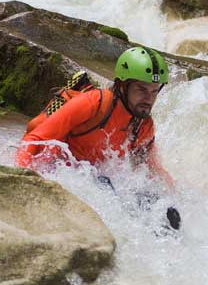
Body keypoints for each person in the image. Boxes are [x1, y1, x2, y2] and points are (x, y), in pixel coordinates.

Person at [16, 46, 180, 229]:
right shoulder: (93, 103)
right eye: (141, 89)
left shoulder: (143, 125)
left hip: (96, 178)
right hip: (61, 171)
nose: (148, 99)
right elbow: (35, 138)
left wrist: (177, 196)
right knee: (104, 185)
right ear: (122, 86)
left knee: (163, 210)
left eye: (154, 91)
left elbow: (152, 169)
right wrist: (21, 178)